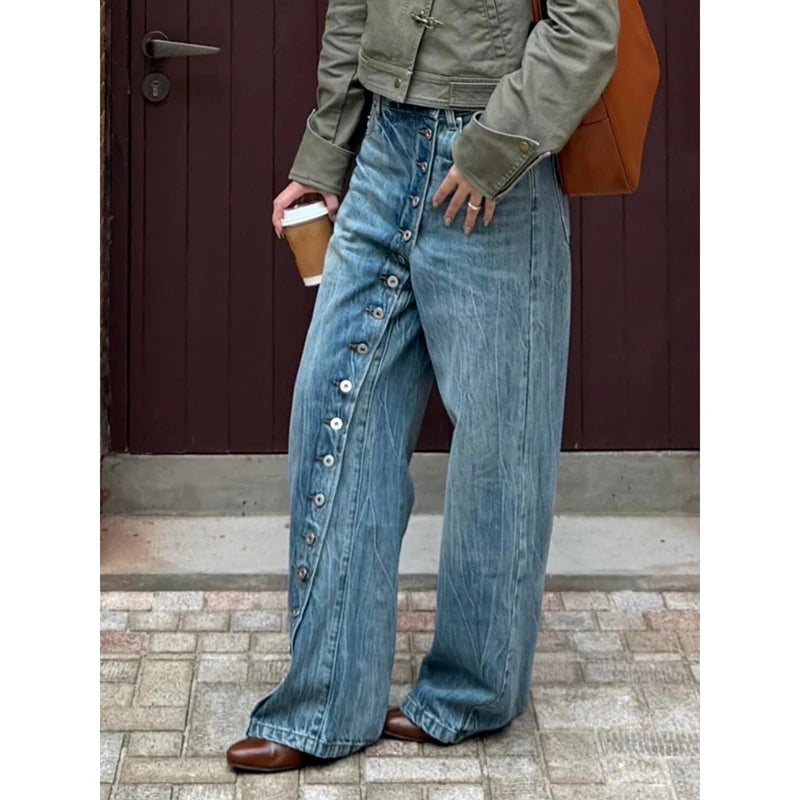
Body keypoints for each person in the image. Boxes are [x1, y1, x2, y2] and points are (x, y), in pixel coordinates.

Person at [227, 0, 619, 772]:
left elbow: (586, 30)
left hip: (492, 171)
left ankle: (474, 690)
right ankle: (325, 702)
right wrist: (325, 154)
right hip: (383, 151)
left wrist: (494, 148)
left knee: (499, 443)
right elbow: (352, 9)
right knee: (334, 405)